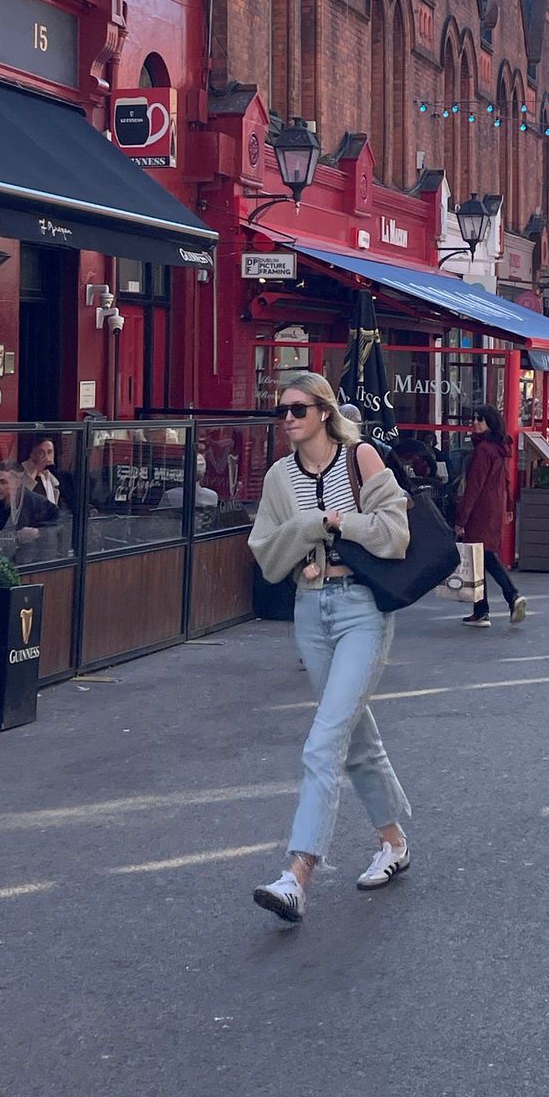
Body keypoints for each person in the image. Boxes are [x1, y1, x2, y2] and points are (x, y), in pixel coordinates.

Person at [246, 371, 412, 924]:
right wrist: (312, 525)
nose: (288, 419)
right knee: (353, 734)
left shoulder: (360, 457)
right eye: (282, 411)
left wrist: (344, 524)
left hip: (362, 607)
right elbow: (267, 555)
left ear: (323, 411)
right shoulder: (279, 476)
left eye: (298, 409)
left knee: (324, 741)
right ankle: (393, 841)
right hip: (309, 609)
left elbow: (395, 534)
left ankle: (297, 873)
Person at [455, 405, 527, 626]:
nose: (475, 422)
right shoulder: (499, 448)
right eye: (474, 418)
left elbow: (474, 486)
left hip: (480, 511)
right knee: (482, 556)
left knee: (483, 556)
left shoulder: (483, 450)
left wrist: (461, 519)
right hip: (494, 508)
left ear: (490, 423)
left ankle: (510, 596)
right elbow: (505, 480)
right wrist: (508, 507)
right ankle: (482, 609)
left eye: (481, 419)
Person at [0, 462, 59, 539]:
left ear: (17, 482)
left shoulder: (39, 504)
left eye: (3, 482)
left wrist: (39, 532)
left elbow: (61, 525)